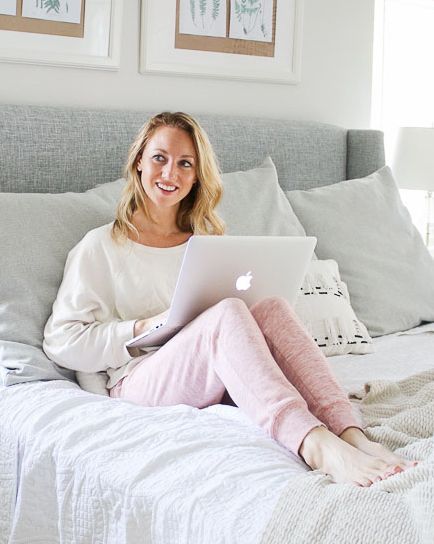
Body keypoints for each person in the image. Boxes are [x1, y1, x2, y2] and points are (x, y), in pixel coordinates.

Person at [43, 111, 415, 487]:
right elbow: (61, 342)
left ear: (196, 175)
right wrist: (141, 327)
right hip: (139, 380)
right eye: (160, 158)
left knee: (269, 306)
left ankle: (350, 434)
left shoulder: (206, 243)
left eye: (185, 163)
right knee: (228, 314)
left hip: (207, 371)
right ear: (139, 161)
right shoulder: (100, 246)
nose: (170, 173)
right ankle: (314, 444)